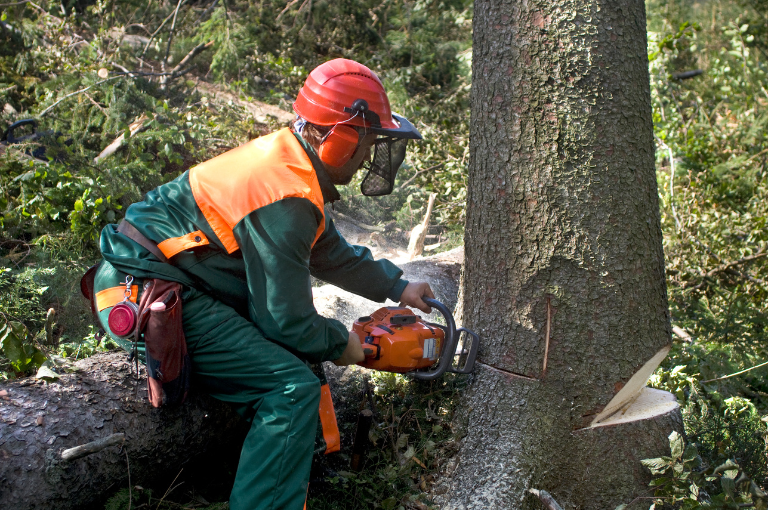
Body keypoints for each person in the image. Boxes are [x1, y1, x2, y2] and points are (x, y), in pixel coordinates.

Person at [89, 58, 435, 509]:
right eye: (368, 142)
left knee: (291, 367)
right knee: (290, 390)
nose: (369, 155)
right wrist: (345, 344)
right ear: (341, 137)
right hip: (149, 294)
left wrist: (398, 286)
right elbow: (286, 322)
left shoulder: (289, 165)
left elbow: (329, 253)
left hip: (164, 280)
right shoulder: (286, 196)